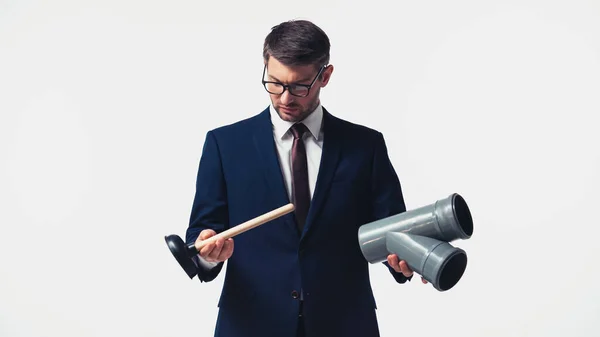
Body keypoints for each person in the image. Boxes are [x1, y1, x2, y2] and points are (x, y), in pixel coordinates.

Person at [184, 19, 426, 337]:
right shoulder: (224, 144)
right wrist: (209, 254)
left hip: (345, 323)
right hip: (250, 323)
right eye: (274, 83)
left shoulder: (365, 146)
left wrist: (403, 259)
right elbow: (203, 232)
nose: (285, 98)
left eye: (299, 86)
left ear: (325, 76)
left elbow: (392, 231)